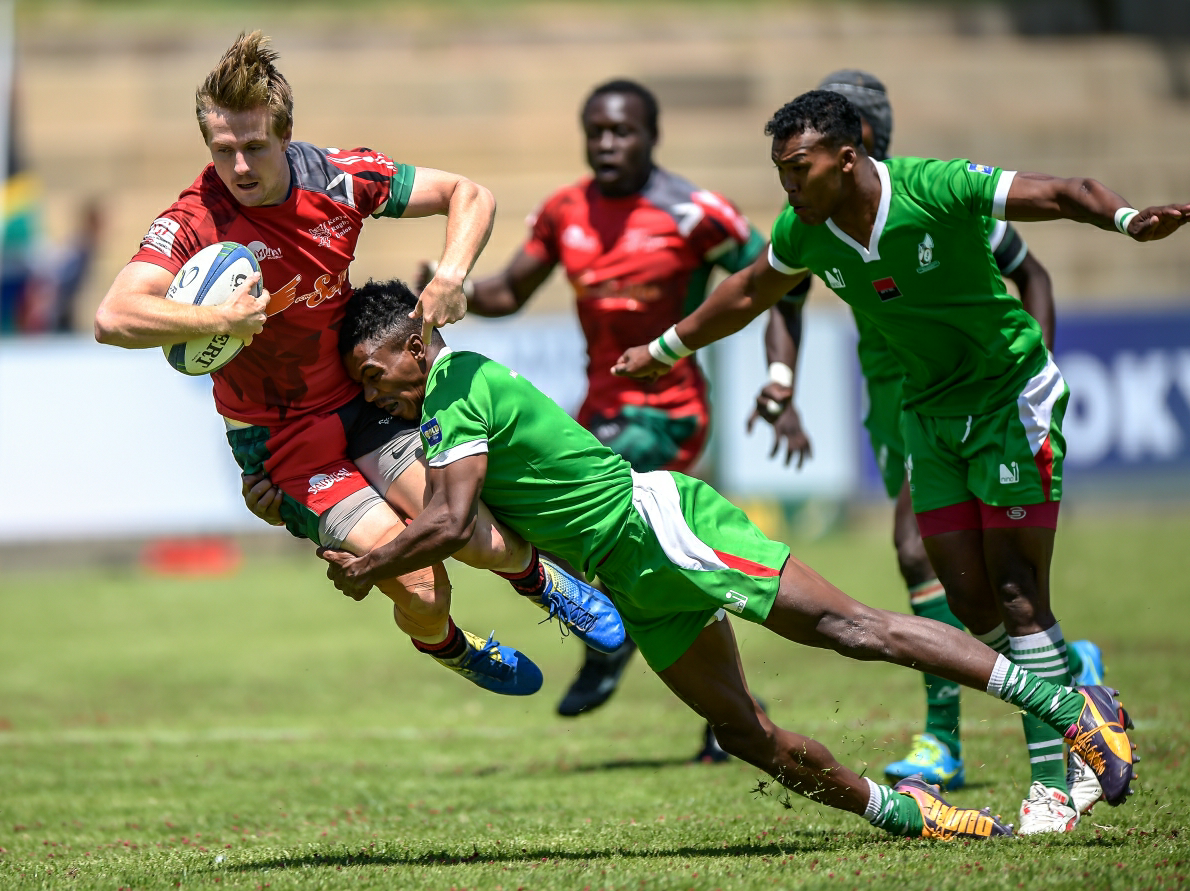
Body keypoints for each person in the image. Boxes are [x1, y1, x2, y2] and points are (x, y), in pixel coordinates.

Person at [321, 277, 1137, 842]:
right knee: (741, 731)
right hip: (628, 578)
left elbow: (453, 517)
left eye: (374, 374)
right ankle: (912, 813)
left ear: (416, 344)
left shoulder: (457, 382)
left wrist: (369, 565)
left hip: (659, 528)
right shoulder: (435, 404)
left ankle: (1071, 710)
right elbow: (474, 523)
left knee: (854, 629)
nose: (374, 393)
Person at [614, 89, 1185, 832]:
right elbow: (753, 289)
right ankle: (1082, 697)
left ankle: (1054, 782)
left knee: (1017, 595)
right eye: (781, 172)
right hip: (929, 415)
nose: (788, 187)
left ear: (848, 157)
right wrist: (667, 348)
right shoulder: (807, 228)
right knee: (972, 607)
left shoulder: (935, 187)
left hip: (1010, 398)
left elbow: (1061, 191)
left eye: (799, 169)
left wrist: (1126, 219)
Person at [94, 32, 624, 698]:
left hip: (362, 404)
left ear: (285, 136)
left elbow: (470, 193)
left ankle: (547, 586)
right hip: (284, 444)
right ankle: (452, 645)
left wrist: (454, 274)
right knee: (424, 586)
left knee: (473, 535)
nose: (240, 166)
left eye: (255, 146)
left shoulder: (340, 179)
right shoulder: (198, 218)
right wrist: (218, 320)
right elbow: (114, 315)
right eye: (222, 150)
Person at [749, 70, 1105, 832]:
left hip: (978, 398)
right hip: (899, 400)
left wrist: (1033, 365)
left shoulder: (936, 201)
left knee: (925, 557)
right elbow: (776, 297)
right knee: (962, 590)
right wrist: (780, 381)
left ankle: (950, 739)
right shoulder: (815, 224)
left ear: (859, 145)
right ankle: (1074, 684)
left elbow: (1027, 267)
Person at [440, 79, 765, 760]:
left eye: (622, 131)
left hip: (669, 411)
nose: (607, 143)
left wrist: (783, 379)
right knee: (651, 561)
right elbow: (512, 289)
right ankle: (733, 711)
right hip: (599, 412)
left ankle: (607, 639)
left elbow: (774, 276)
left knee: (594, 542)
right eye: (596, 131)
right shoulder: (566, 211)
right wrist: (458, 288)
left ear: (653, 134)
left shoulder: (696, 211)